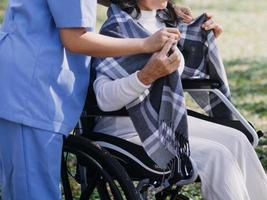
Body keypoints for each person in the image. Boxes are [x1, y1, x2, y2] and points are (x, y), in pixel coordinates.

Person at [0, 0, 183, 199]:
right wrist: (145, 44)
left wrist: (163, 7)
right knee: (33, 191)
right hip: (33, 89)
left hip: (31, 80)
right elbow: (75, 39)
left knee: (23, 188)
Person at [93, 1, 267, 199]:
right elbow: (104, 99)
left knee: (238, 140)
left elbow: (174, 77)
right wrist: (145, 76)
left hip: (166, 121)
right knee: (217, 156)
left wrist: (202, 40)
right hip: (125, 128)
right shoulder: (116, 30)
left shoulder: (166, 23)